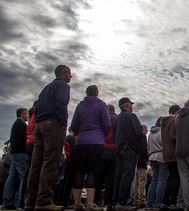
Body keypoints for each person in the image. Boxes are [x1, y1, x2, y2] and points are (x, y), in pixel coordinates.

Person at [24, 65, 72, 211]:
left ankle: (30, 202)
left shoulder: (46, 88)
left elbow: (37, 108)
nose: (71, 76)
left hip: (39, 125)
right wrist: (63, 124)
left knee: (36, 164)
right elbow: (61, 104)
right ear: (63, 73)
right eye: (69, 74)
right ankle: (44, 201)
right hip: (53, 124)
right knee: (50, 162)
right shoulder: (62, 86)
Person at [70, 85, 111, 211]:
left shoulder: (80, 105)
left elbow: (74, 125)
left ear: (86, 93)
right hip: (97, 141)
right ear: (97, 93)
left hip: (81, 141)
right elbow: (107, 124)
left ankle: (76, 204)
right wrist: (100, 134)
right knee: (92, 171)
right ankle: (90, 204)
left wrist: (80, 133)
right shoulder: (101, 105)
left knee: (79, 171)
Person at [112, 97, 143, 211]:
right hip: (130, 149)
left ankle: (116, 202)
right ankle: (122, 203)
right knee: (127, 176)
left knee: (118, 176)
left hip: (119, 148)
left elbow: (114, 136)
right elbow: (139, 133)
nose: (132, 106)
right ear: (127, 105)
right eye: (131, 104)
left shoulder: (117, 119)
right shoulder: (131, 116)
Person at [2, 108, 29, 210]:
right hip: (20, 154)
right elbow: (27, 138)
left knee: (11, 178)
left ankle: (7, 201)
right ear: (22, 114)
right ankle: (21, 202)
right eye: (26, 114)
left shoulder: (16, 124)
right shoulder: (21, 125)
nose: (27, 116)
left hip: (13, 154)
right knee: (24, 176)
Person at [94, 104, 118, 211]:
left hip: (102, 151)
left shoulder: (101, 119)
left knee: (98, 178)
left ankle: (95, 201)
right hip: (114, 151)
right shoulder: (117, 119)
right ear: (114, 110)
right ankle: (109, 203)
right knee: (111, 179)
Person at [160, 105, 181, 211]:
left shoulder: (163, 123)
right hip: (174, 153)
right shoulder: (173, 121)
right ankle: (173, 203)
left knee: (170, 178)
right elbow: (174, 137)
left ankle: (164, 202)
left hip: (166, 154)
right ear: (177, 112)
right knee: (176, 178)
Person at [146, 117, 169, 209]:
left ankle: (149, 202)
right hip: (162, 156)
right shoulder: (163, 132)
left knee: (154, 180)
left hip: (152, 157)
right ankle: (158, 202)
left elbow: (148, 147)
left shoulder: (150, 134)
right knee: (162, 180)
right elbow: (165, 145)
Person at [134, 124, 149, 208]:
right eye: (146, 130)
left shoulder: (135, 137)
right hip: (142, 160)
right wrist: (147, 159)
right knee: (142, 180)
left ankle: (135, 200)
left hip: (135, 160)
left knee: (136, 182)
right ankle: (141, 200)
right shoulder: (142, 137)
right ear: (143, 129)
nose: (147, 131)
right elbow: (144, 149)